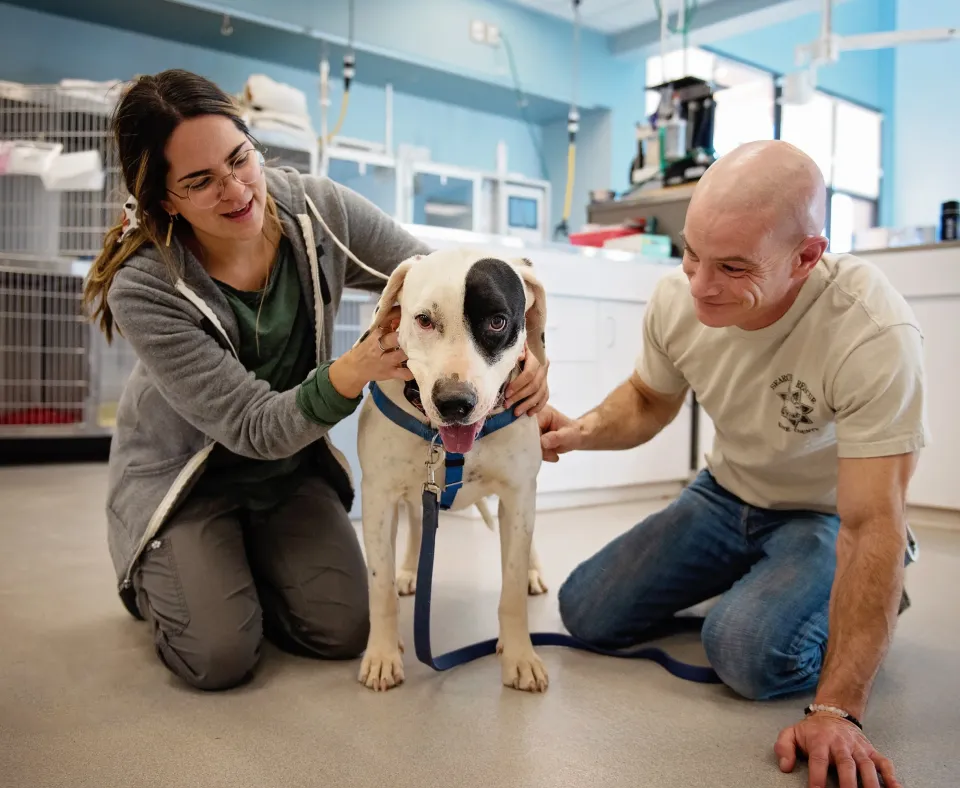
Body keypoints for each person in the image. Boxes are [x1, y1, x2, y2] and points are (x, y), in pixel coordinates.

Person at [82, 69, 549, 692]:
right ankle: (180, 565)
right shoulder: (145, 286)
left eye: (239, 158)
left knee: (340, 630)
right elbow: (250, 425)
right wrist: (352, 372)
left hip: (286, 473)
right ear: (165, 199)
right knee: (219, 657)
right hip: (188, 479)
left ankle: (245, 565)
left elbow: (441, 279)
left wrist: (524, 354)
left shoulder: (318, 211)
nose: (237, 189)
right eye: (200, 181)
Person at [537, 140, 924, 788]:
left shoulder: (870, 330)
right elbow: (647, 399)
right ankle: (778, 586)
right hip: (724, 494)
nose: (700, 287)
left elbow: (871, 524)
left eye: (733, 268)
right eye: (691, 254)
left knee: (744, 652)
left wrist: (838, 709)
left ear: (806, 257)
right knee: (586, 610)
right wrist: (581, 431)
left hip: (823, 515)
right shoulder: (679, 297)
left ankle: (857, 595)